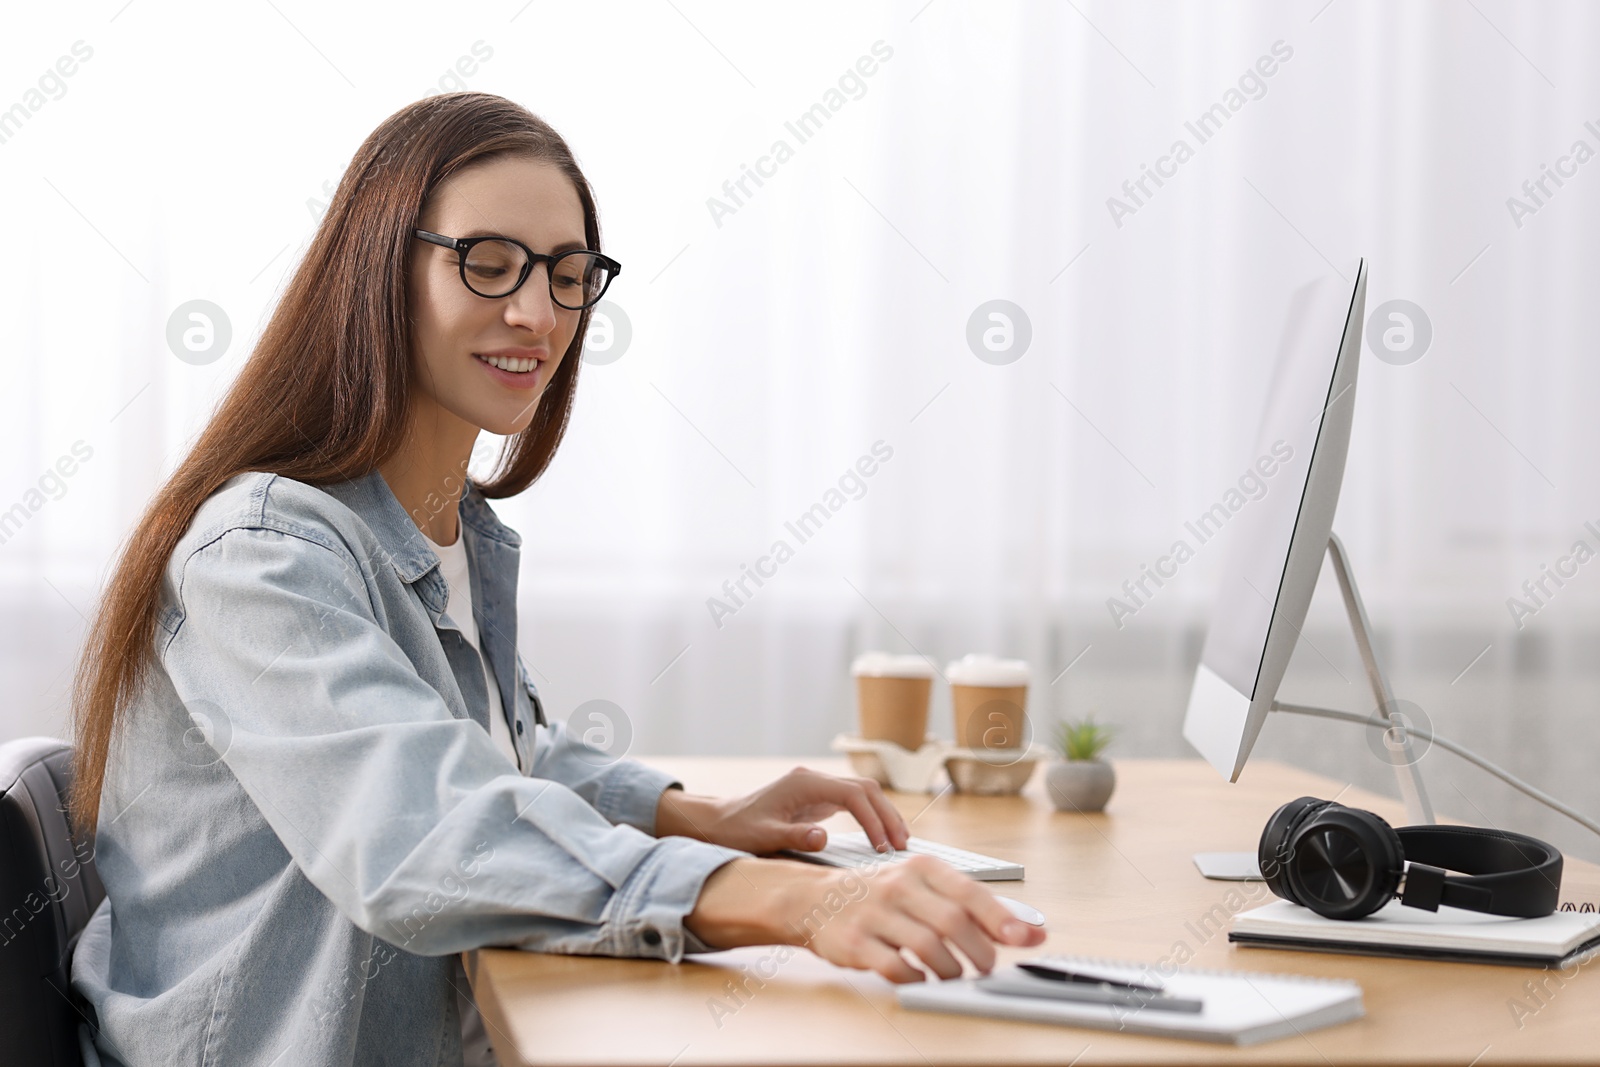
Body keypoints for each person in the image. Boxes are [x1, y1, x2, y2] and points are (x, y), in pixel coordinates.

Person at [66, 92, 1044, 1067]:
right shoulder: (262, 555)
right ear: (378, 269)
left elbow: (484, 750)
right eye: (486, 263)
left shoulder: (451, 530)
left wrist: (684, 810)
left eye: (568, 275)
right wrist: (797, 900)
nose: (535, 312)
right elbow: (420, 830)